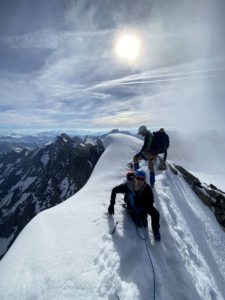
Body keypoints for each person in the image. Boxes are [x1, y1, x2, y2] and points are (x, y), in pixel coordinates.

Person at [108, 169, 161, 240]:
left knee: (155, 214)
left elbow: (151, 202)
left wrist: (143, 210)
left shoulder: (147, 188)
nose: (140, 180)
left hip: (142, 207)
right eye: (138, 178)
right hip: (131, 205)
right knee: (140, 224)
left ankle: (156, 230)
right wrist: (112, 204)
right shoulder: (128, 186)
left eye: (142, 179)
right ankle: (133, 212)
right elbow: (114, 190)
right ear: (134, 178)